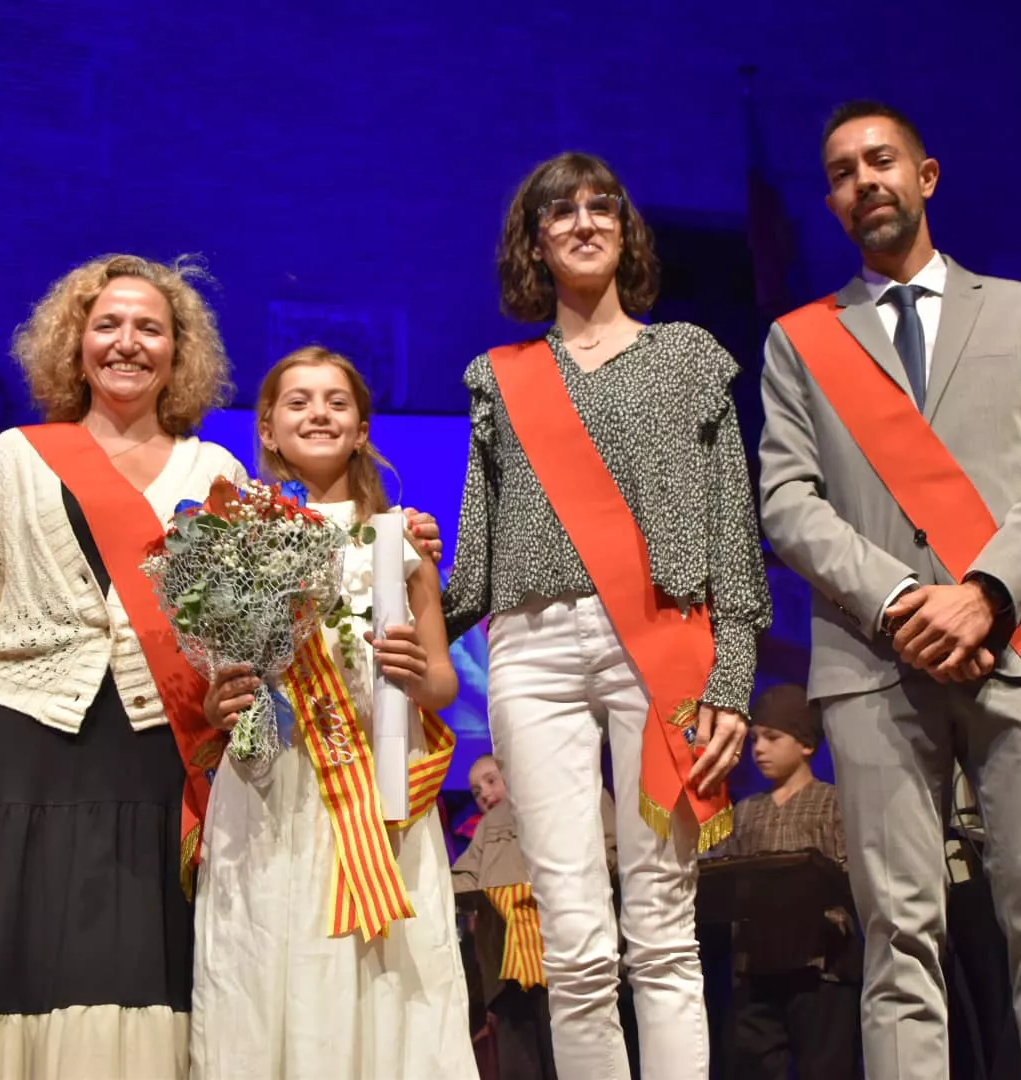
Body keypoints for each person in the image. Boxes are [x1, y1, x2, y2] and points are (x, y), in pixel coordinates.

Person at [757, 99, 1021, 1080]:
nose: (863, 180)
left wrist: (986, 591)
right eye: (840, 171)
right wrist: (904, 602)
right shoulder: (798, 342)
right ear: (831, 203)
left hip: (1020, 650)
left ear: (927, 175)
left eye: (881, 160)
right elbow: (786, 500)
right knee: (898, 941)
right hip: (874, 665)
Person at [441, 151, 771, 1080]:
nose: (584, 222)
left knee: (664, 933)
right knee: (577, 942)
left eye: (602, 208)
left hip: (660, 644)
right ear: (535, 242)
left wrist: (733, 681)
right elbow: (473, 558)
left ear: (625, 232)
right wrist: (379, 593)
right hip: (532, 650)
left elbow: (731, 532)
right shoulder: (499, 380)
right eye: (561, 212)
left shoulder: (688, 356)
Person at [0, 254, 249, 1079]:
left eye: (149, 328)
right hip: (15, 736)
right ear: (76, 342)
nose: (127, 344)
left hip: (154, 748)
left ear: (179, 351)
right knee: (11, 948)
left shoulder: (215, 472)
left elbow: (234, 632)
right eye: (108, 325)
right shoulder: (13, 457)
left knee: (136, 955)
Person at [190, 346, 477, 1079]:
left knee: (381, 970)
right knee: (266, 954)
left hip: (377, 787)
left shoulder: (401, 537)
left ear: (361, 428)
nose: (318, 413)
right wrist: (224, 699)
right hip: (274, 789)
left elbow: (443, 681)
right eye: (298, 401)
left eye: (336, 402)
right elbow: (223, 675)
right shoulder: (236, 538)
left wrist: (420, 676)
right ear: (267, 427)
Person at [714, 685, 860, 1080]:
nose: (759, 748)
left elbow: (852, 877)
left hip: (820, 970)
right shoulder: (745, 812)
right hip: (757, 969)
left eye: (773, 738)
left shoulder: (834, 802)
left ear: (806, 744)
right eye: (756, 738)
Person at [452, 755, 617, 1080]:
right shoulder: (488, 826)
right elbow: (461, 878)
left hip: (569, 964)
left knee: (575, 1064)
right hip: (508, 974)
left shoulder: (583, 796)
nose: (484, 793)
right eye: (475, 791)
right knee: (519, 1069)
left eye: (490, 779)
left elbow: (611, 853)